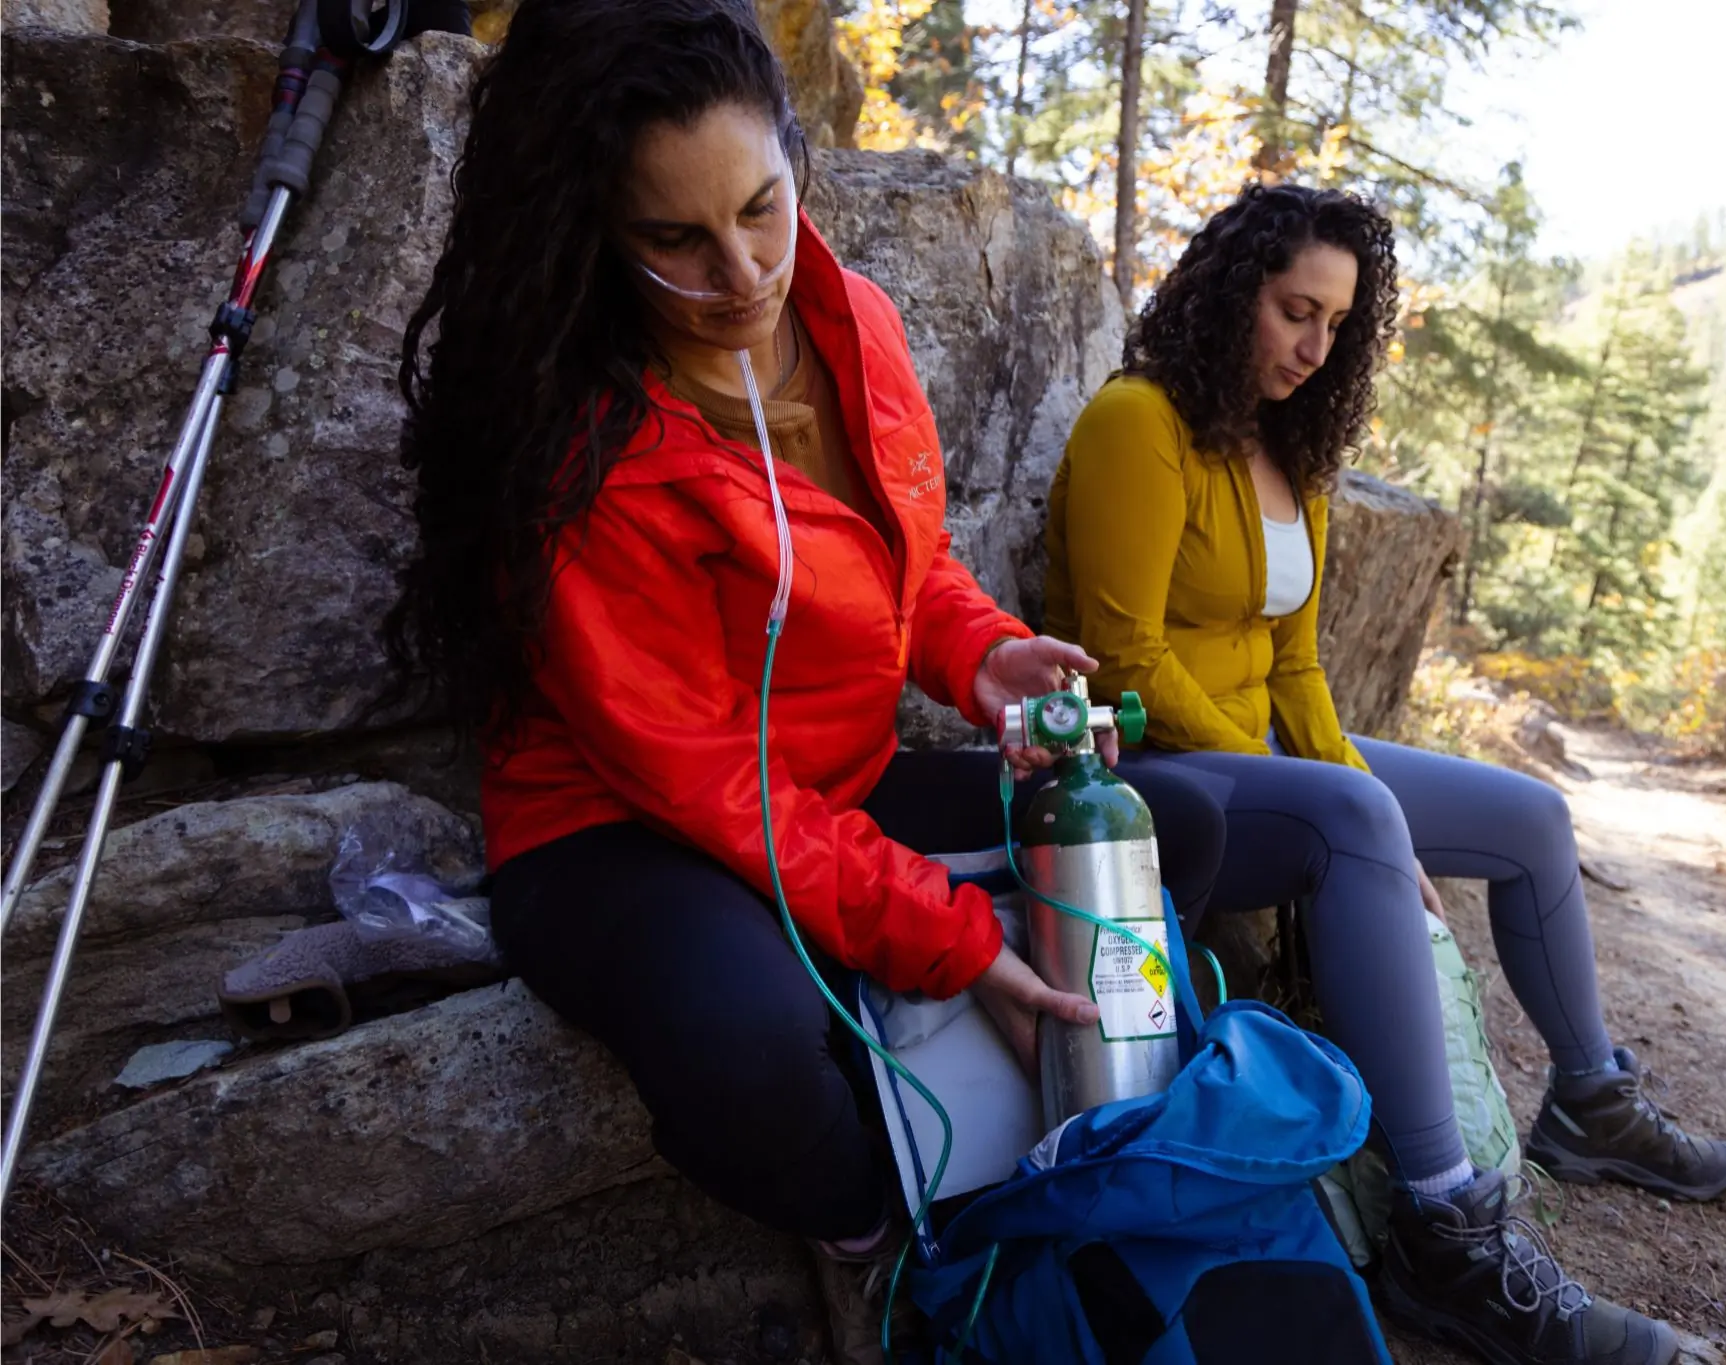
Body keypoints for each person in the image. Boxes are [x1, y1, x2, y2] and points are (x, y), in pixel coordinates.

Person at [381, 3, 1225, 1361]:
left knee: (1175, 829)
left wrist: (977, 652)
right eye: (675, 239)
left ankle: (933, 1056)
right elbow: (707, 781)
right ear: (592, 230)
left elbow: (914, 563)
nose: (741, 272)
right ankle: (873, 1219)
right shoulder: (580, 450)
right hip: (620, 832)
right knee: (751, 1050)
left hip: (833, 783)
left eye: (761, 207)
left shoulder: (854, 323)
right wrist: (952, 936)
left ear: (795, 165)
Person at [1043, 181, 1726, 1365]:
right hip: (1159, 764)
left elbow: (1297, 663)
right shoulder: (1137, 421)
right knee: (1359, 814)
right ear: (1230, 295)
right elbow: (1127, 658)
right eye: (1290, 311)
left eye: (1335, 325)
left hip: (1261, 745)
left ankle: (1590, 1097)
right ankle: (1445, 1226)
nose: (1312, 348)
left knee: (1530, 815)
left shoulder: (1290, 454)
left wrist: (1349, 793)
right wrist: (1337, 803)